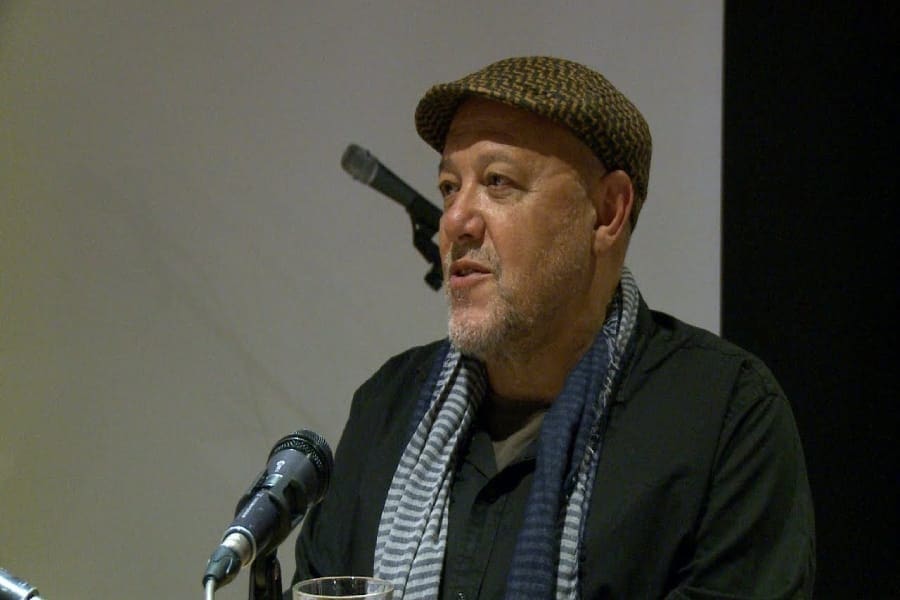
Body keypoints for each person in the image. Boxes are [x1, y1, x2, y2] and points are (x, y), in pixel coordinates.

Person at [290, 56, 815, 599]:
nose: (454, 221)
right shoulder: (386, 411)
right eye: (449, 186)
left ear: (607, 211)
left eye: (497, 182)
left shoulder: (723, 419)